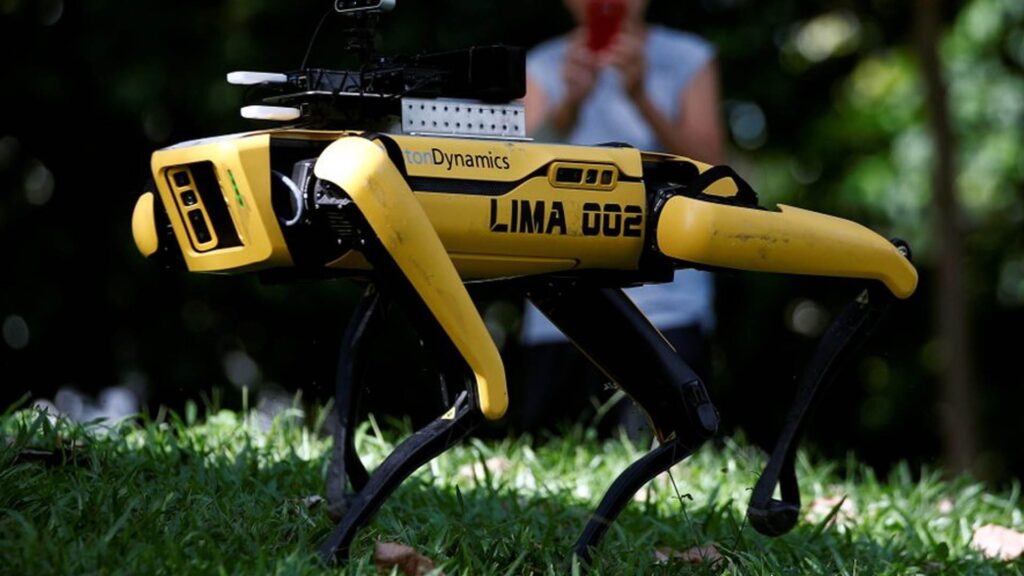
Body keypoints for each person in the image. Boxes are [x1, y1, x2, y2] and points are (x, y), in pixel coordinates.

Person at [513, 0, 726, 437]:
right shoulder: (542, 64)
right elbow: (515, 169)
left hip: (668, 304)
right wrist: (570, 103)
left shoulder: (688, 57)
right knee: (550, 440)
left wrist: (641, 96)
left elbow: (713, 171)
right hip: (558, 300)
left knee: (673, 443)